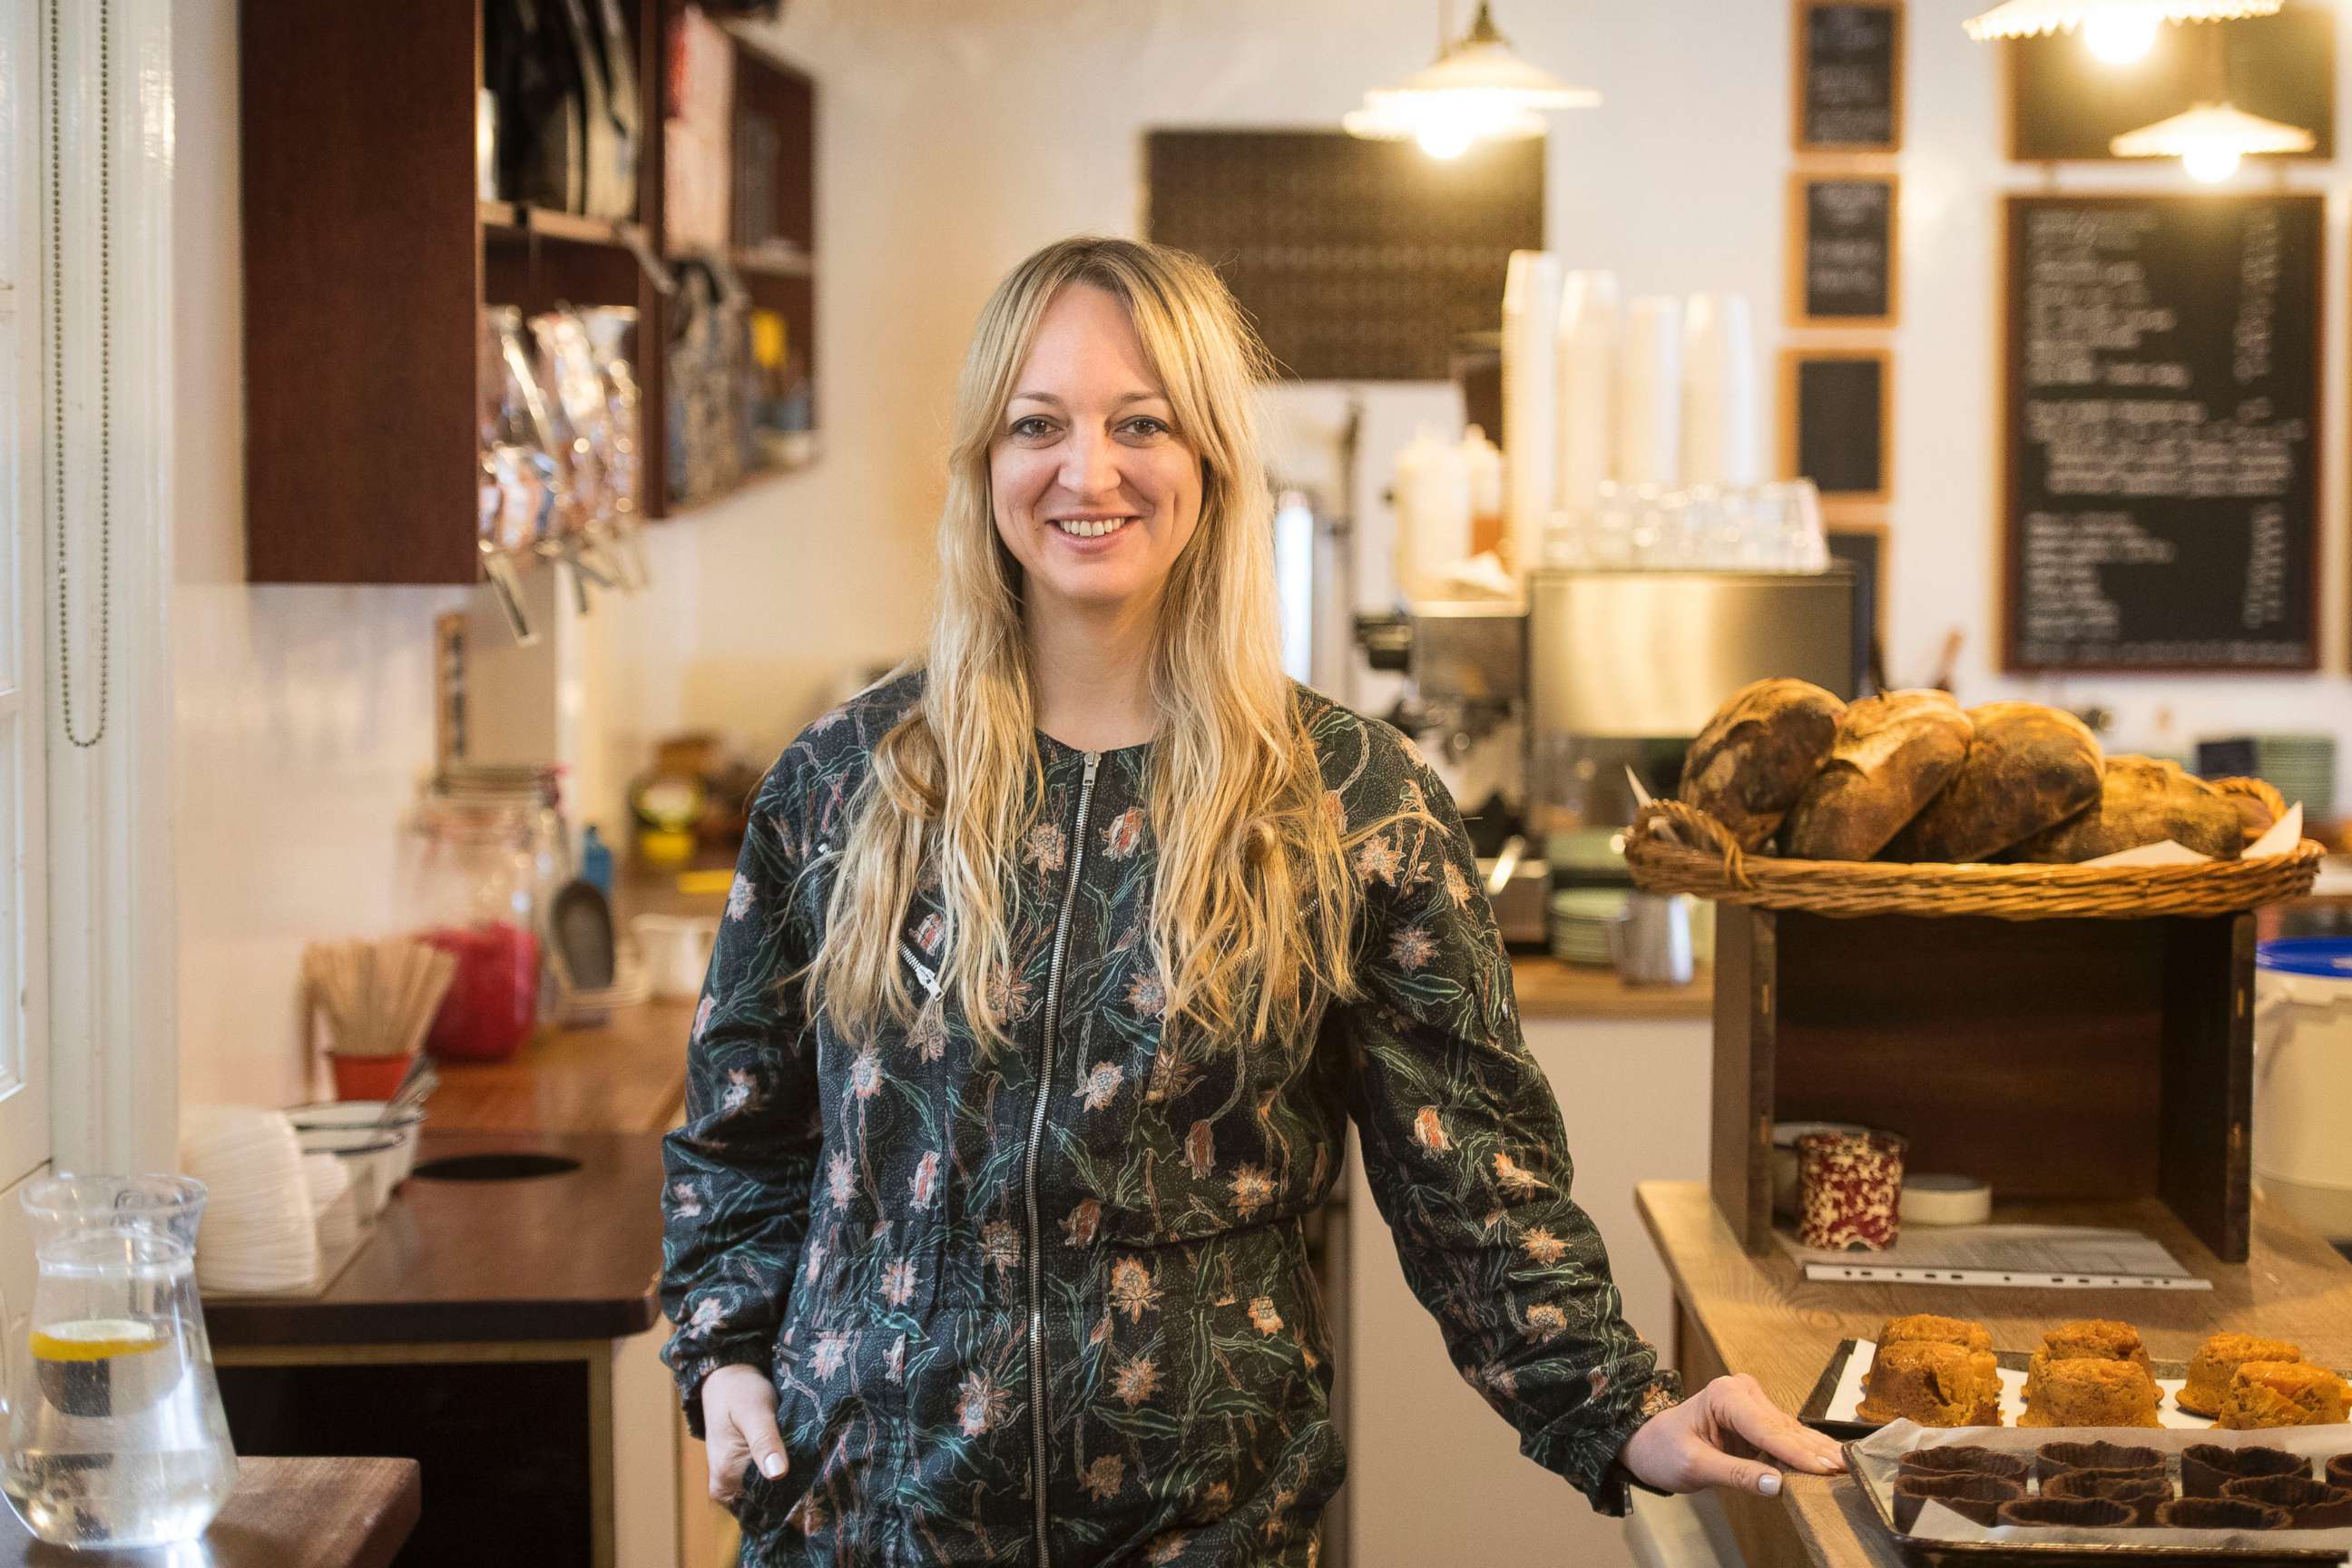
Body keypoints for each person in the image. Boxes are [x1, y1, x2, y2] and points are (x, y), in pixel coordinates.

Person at [660, 235, 1843, 1567]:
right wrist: (722, 1357)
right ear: (986, 464)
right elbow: (741, 1134)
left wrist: (1628, 1408)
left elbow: (1477, 1185)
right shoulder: (846, 785)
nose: (1085, 471)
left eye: (1140, 423)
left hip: (1210, 1528)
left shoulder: (1351, 802)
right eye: (1036, 424)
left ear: (1213, 460)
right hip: (860, 1518)